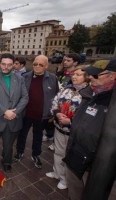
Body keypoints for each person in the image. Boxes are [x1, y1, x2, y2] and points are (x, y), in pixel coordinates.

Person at [64, 58, 116, 200]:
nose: (91, 77)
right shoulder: (88, 93)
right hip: (75, 154)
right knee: (74, 191)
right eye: (90, 74)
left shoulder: (111, 102)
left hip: (95, 167)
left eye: (96, 75)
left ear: (113, 76)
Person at [45, 66, 92, 190]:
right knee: (58, 152)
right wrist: (56, 113)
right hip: (59, 129)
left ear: (87, 78)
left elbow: (88, 117)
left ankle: (65, 180)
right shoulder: (66, 89)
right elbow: (54, 103)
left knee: (69, 156)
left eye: (78, 74)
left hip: (74, 134)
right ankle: (57, 173)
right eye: (73, 74)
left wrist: (70, 121)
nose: (74, 76)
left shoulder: (90, 94)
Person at [0, 53, 28, 172]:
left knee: (9, 145)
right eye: (3, 64)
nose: (6, 67)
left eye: (9, 65)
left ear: (14, 65)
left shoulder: (20, 79)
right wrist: (4, 111)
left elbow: (25, 97)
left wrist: (15, 112)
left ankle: (7, 161)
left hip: (13, 118)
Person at [14, 55, 58, 168]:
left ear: (46, 66)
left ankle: (36, 155)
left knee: (38, 136)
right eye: (35, 64)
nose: (37, 66)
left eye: (41, 64)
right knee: (22, 134)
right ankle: (19, 152)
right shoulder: (25, 77)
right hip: (25, 113)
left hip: (42, 115)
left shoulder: (53, 78)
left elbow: (56, 97)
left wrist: (53, 113)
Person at [82, 86, 116, 200]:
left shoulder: (108, 100)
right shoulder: (91, 94)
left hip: (96, 154)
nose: (93, 78)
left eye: (98, 75)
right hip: (82, 144)